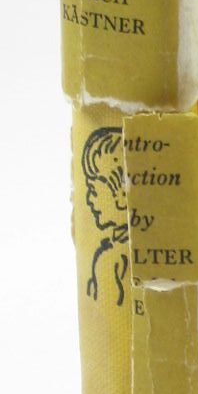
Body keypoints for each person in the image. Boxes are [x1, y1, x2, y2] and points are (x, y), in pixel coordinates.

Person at [81, 125, 130, 306]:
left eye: (93, 190)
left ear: (122, 195)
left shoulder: (108, 260)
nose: (89, 199)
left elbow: (103, 313)